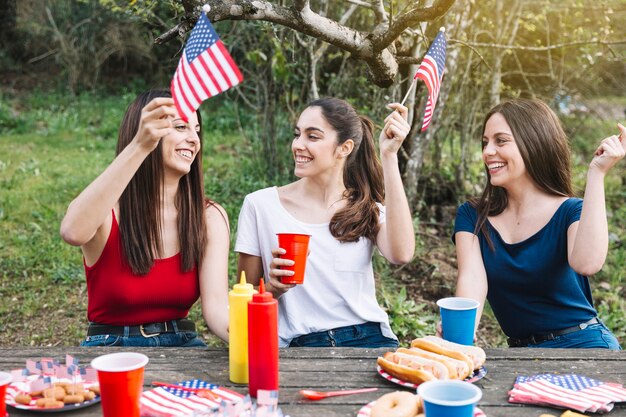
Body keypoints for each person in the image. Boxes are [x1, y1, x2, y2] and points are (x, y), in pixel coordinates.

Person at [235, 97, 415, 348]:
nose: (298, 144)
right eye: (297, 134)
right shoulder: (260, 205)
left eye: (313, 136)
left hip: (369, 339)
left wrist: (389, 155)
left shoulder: (365, 208)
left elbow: (402, 253)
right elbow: (243, 299)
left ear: (344, 147)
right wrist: (273, 289)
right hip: (300, 345)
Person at [60, 89, 229, 347]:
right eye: (181, 126)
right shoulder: (107, 211)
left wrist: (250, 337)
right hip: (111, 347)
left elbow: (217, 309)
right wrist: (139, 146)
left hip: (183, 345)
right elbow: (72, 231)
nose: (194, 139)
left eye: (196, 130)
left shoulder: (209, 217)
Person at [453, 98, 624, 349]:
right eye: (485, 142)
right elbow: (472, 280)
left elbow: (587, 264)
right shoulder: (472, 215)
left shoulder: (571, 211)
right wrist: (461, 329)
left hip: (585, 346)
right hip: (521, 354)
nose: (488, 152)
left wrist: (597, 173)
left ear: (533, 143)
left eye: (501, 140)